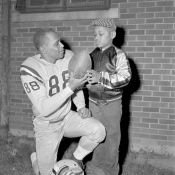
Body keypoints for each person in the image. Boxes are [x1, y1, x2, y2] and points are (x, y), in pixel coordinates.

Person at [20, 28, 106, 175]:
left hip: (66, 117)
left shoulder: (68, 57)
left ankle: (75, 160)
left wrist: (80, 106)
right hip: (47, 124)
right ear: (44, 50)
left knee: (98, 131)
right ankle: (35, 157)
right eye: (56, 44)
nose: (62, 46)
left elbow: (76, 84)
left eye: (60, 41)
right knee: (45, 173)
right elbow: (44, 108)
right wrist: (70, 87)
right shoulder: (30, 68)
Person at [85, 18, 132, 175]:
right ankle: (96, 165)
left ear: (112, 34)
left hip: (111, 103)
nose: (96, 37)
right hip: (93, 103)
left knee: (111, 137)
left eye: (100, 34)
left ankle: (110, 169)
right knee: (97, 134)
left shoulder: (119, 55)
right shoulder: (91, 55)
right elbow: (88, 77)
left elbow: (125, 78)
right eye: (94, 35)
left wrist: (101, 78)